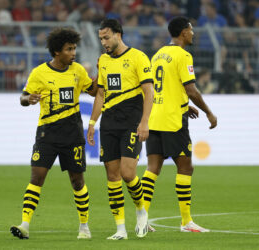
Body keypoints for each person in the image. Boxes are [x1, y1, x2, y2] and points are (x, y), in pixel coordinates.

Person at [10, 27, 97, 240]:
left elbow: (93, 91)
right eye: (69, 49)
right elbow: (22, 97)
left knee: (77, 181)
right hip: (47, 134)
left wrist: (101, 74)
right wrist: (28, 99)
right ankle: (25, 224)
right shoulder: (39, 73)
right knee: (37, 177)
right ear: (57, 51)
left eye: (74, 48)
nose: (74, 53)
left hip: (72, 134)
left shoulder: (77, 71)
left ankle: (84, 226)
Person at [141, 16, 217, 233]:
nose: (193, 33)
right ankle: (186, 222)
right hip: (173, 120)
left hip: (155, 116)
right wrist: (209, 113)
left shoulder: (158, 55)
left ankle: (142, 219)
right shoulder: (183, 56)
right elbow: (191, 90)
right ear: (183, 32)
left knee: (152, 168)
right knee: (185, 167)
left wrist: (184, 105)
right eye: (191, 30)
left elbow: (165, 88)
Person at [87, 19, 154, 240]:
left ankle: (141, 210)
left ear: (118, 34)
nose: (103, 42)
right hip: (109, 124)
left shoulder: (138, 57)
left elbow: (149, 92)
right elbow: (100, 94)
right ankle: (120, 229)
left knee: (127, 173)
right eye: (101, 39)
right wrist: (92, 123)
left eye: (106, 37)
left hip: (131, 123)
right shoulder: (104, 61)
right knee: (112, 176)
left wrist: (144, 122)